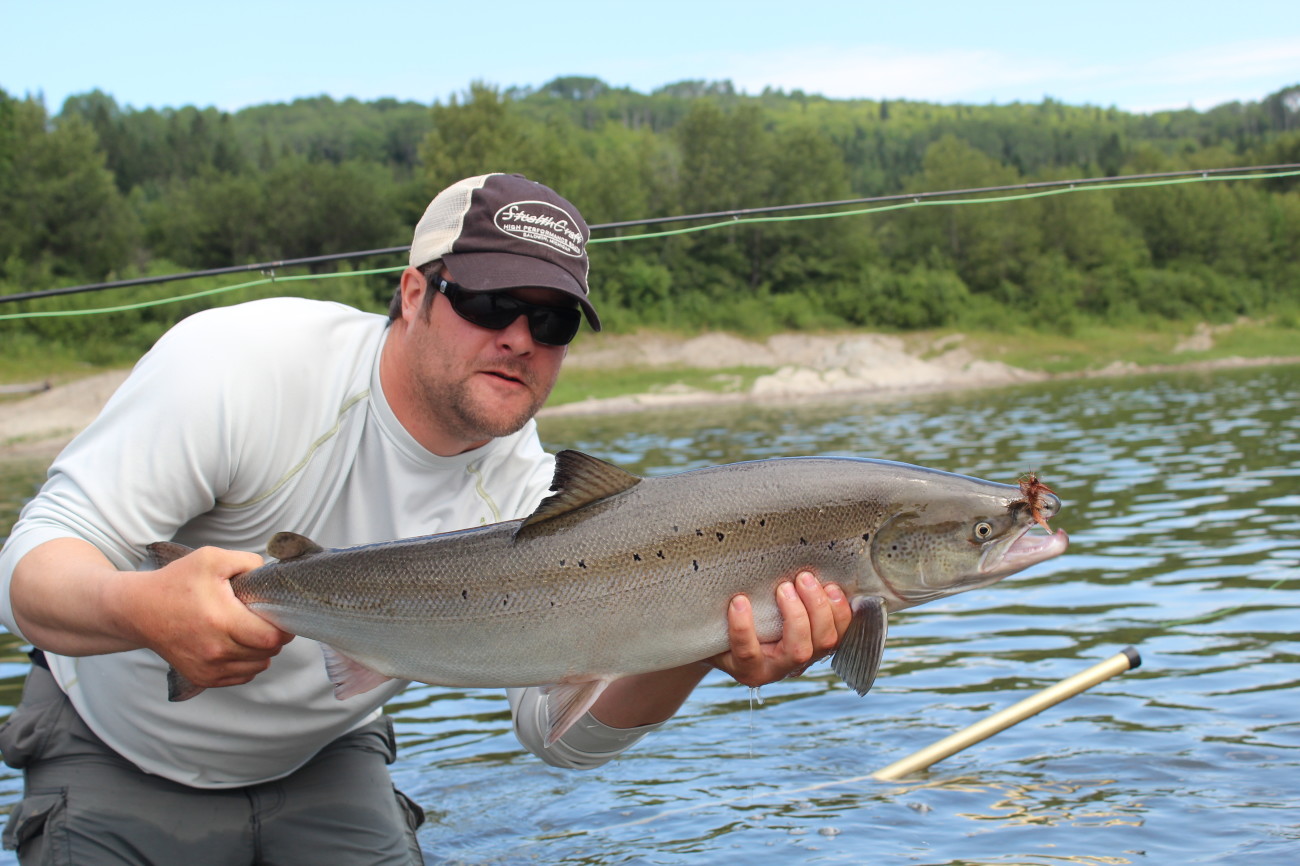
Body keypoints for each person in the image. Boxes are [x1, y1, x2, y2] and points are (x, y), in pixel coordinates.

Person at [0, 173, 850, 865]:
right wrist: (140, 610)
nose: (518, 337)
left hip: (321, 756)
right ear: (413, 292)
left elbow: (556, 738)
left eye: (550, 321)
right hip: (108, 740)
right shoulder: (240, 367)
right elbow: (26, 572)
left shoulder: (534, 494)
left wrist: (696, 646)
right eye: (487, 302)